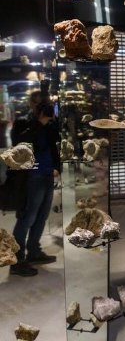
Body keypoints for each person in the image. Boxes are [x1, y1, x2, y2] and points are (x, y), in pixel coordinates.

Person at [11, 101, 60, 276]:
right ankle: (17, 260)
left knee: (41, 217)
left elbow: (54, 146)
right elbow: (20, 144)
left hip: (47, 174)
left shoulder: (49, 127)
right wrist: (38, 122)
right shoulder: (24, 123)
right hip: (32, 177)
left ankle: (33, 252)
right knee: (27, 218)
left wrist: (57, 167)